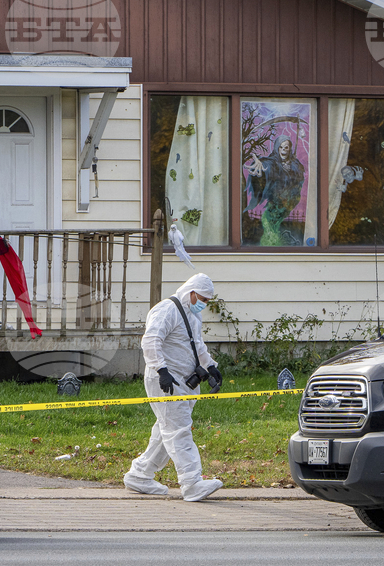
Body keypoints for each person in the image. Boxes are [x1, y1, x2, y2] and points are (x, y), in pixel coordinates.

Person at [124, 273, 224, 502]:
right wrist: (162, 370)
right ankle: (191, 483)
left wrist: (211, 366)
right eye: (202, 299)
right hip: (166, 381)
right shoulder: (166, 310)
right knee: (178, 429)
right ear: (191, 292)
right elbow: (151, 340)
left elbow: (196, 345)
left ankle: (140, 475)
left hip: (182, 380)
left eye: (208, 301)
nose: (204, 304)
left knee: (165, 430)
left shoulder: (192, 316)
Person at [244, 135, 306, 246]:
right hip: (274, 205)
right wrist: (259, 165)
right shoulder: (271, 162)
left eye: (286, 147)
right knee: (270, 227)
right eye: (281, 147)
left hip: (288, 205)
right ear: (277, 148)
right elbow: (266, 165)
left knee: (279, 230)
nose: (283, 150)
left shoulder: (295, 164)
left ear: (290, 148)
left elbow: (299, 180)